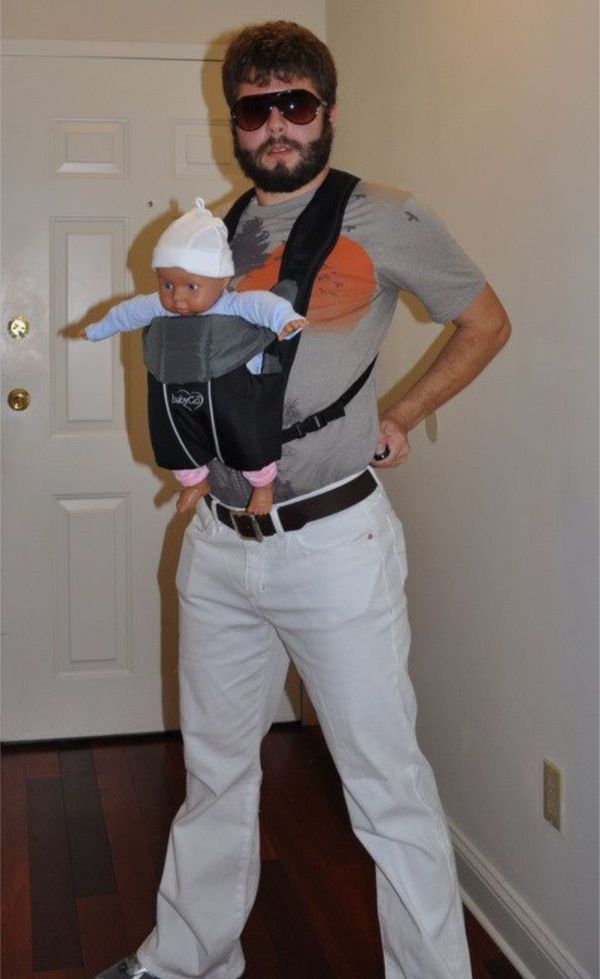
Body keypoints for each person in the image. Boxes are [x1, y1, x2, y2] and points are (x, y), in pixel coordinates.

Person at [96, 20, 511, 979]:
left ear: (327, 112)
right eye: (257, 108)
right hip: (219, 544)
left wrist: (402, 409)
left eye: (296, 104)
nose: (276, 125)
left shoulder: (387, 218)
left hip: (333, 545)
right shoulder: (216, 233)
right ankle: (190, 958)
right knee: (215, 773)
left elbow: (485, 323)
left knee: (387, 786)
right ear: (233, 122)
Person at [81, 197, 307, 514]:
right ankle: (194, 482)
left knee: (247, 439)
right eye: (167, 284)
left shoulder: (233, 304)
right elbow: (126, 314)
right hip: (176, 389)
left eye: (190, 286)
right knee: (175, 442)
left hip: (229, 388)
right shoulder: (159, 307)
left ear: (222, 281)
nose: (177, 298)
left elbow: (264, 305)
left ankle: (263, 486)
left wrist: (286, 320)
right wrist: (97, 330)